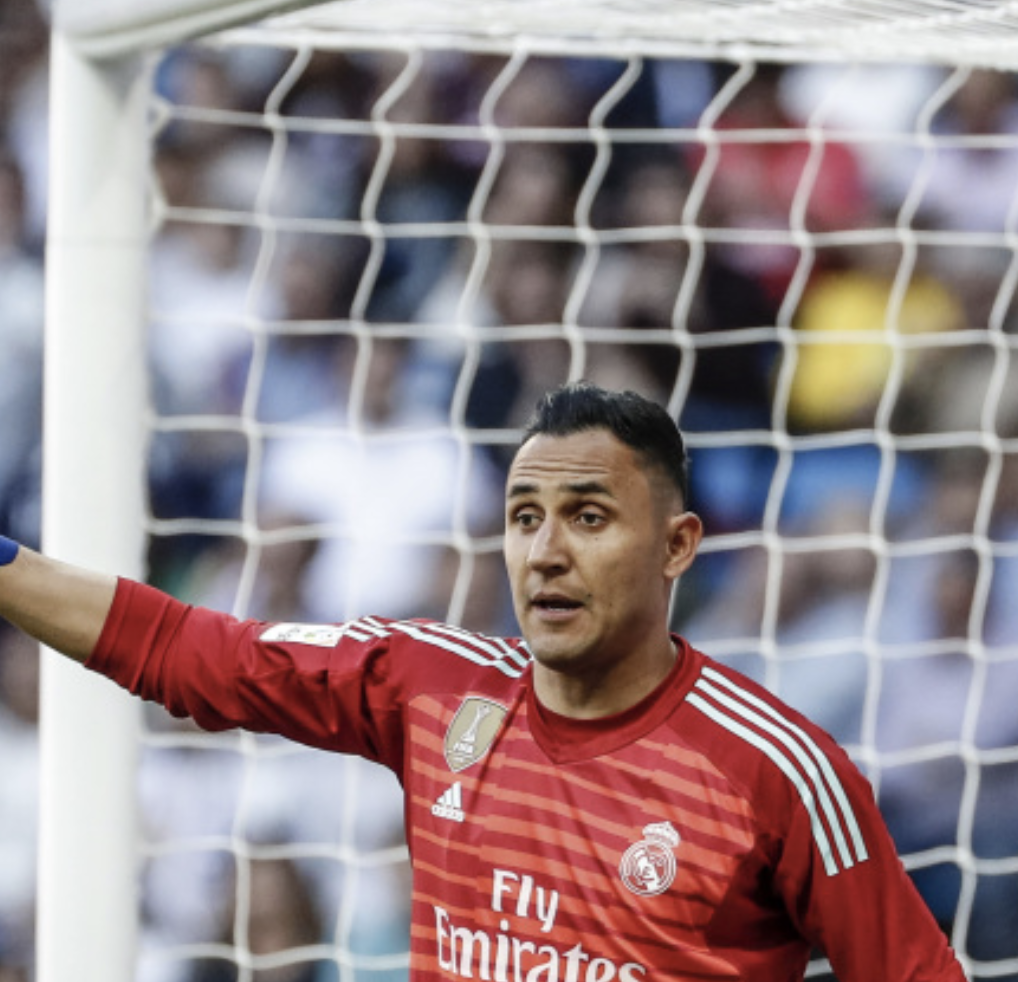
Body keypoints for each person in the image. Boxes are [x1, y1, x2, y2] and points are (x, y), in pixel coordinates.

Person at [0, 382, 966, 981]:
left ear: (677, 547)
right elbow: (186, 650)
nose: (545, 552)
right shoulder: (429, 687)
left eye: (589, 517)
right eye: (524, 517)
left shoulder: (780, 770)